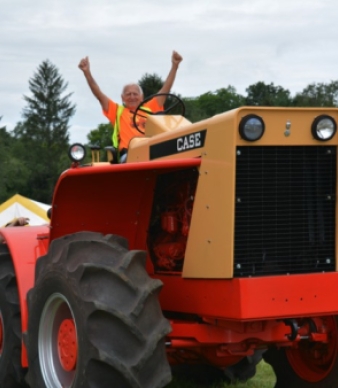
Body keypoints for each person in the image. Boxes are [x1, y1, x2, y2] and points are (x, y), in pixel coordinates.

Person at [78, 51, 183, 154]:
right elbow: (99, 95)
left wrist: (174, 66)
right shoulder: (118, 112)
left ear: (141, 97)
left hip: (151, 152)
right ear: (122, 98)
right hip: (129, 154)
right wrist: (87, 73)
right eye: (128, 94)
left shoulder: (150, 109)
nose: (132, 97)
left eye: (135, 94)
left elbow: (165, 90)